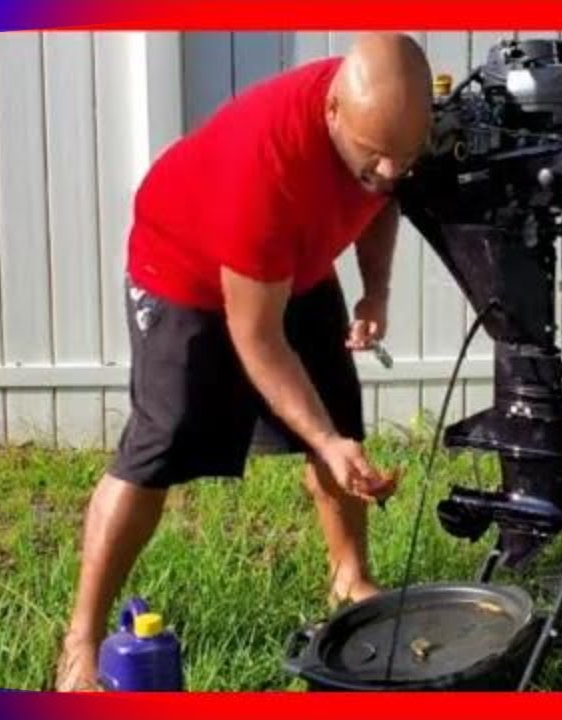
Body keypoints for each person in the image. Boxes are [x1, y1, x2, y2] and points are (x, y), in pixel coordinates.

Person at [54, 32, 434, 691]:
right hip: (184, 271)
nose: (388, 170)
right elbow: (258, 339)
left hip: (294, 261)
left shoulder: (384, 121)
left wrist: (375, 291)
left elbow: (383, 196)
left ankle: (350, 578)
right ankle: (80, 641)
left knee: (338, 416)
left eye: (404, 156)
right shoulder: (263, 167)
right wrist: (322, 440)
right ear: (333, 110)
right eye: (373, 155)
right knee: (160, 443)